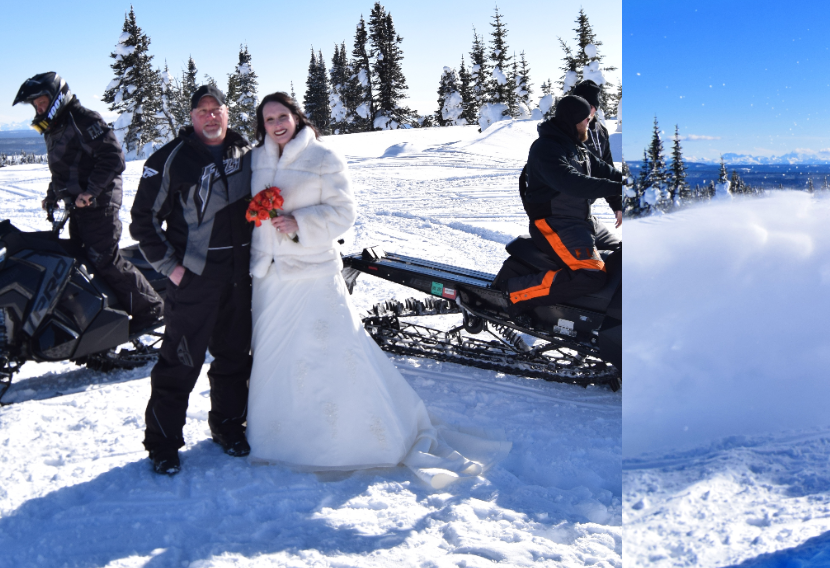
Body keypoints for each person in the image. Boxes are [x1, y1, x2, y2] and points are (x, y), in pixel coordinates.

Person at [245, 93, 509, 485]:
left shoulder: (323, 158)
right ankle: (277, 436)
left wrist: (300, 222)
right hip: (270, 278)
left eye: (283, 116)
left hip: (312, 275)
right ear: (261, 124)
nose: (277, 124)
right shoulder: (256, 159)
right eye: (269, 119)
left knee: (331, 355)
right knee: (275, 360)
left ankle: (349, 438)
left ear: (297, 117)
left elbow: (344, 212)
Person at [131, 83, 254, 475]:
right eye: (201, 110)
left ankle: (228, 426)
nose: (210, 115)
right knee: (180, 363)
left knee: (235, 359)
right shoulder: (171, 159)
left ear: (227, 112)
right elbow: (143, 222)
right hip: (195, 281)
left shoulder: (246, 153)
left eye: (215, 108)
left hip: (240, 278)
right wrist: (172, 268)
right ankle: (163, 444)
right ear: (191, 117)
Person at [11, 72, 163, 331]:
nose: (39, 109)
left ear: (57, 98)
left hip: (100, 201)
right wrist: (52, 195)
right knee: (79, 260)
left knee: (102, 257)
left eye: (42, 102)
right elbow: (65, 169)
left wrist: (90, 191)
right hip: (79, 205)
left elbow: (114, 158)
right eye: (35, 105)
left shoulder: (83, 119)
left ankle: (150, 309)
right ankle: (99, 320)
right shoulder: (55, 127)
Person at [505, 94, 622, 310]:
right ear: (573, 120)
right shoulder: (546, 148)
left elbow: (607, 172)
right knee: (590, 275)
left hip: (583, 221)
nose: (590, 123)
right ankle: (513, 292)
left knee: (622, 256)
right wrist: (619, 188)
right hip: (555, 223)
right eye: (587, 119)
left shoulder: (575, 147)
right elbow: (572, 183)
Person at [571, 79, 624, 229]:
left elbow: (606, 168)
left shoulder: (600, 131)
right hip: (565, 208)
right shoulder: (568, 130)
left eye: (591, 106)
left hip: (585, 207)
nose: (587, 110)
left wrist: (617, 204)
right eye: (583, 105)